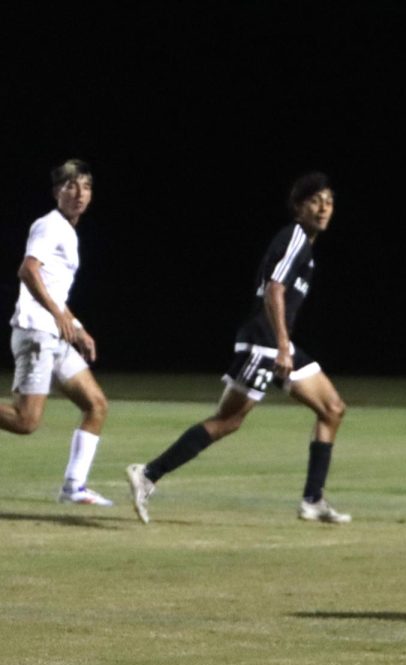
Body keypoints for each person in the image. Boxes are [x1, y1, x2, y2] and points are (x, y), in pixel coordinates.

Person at [126, 172, 350, 524]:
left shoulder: (305, 245)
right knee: (227, 421)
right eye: (314, 201)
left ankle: (312, 500)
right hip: (265, 343)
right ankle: (148, 474)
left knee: (332, 409)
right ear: (298, 207)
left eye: (329, 201)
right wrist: (281, 346)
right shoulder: (295, 238)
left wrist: (284, 345)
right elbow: (274, 289)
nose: (323, 208)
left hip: (275, 343)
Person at [2, 159, 111, 505]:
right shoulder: (49, 226)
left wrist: (76, 326)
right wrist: (56, 315)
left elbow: (52, 287)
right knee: (25, 421)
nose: (79, 193)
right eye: (70, 186)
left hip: (55, 334)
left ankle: (73, 487)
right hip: (36, 333)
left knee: (95, 405)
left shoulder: (67, 230)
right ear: (56, 193)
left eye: (86, 186)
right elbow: (28, 270)